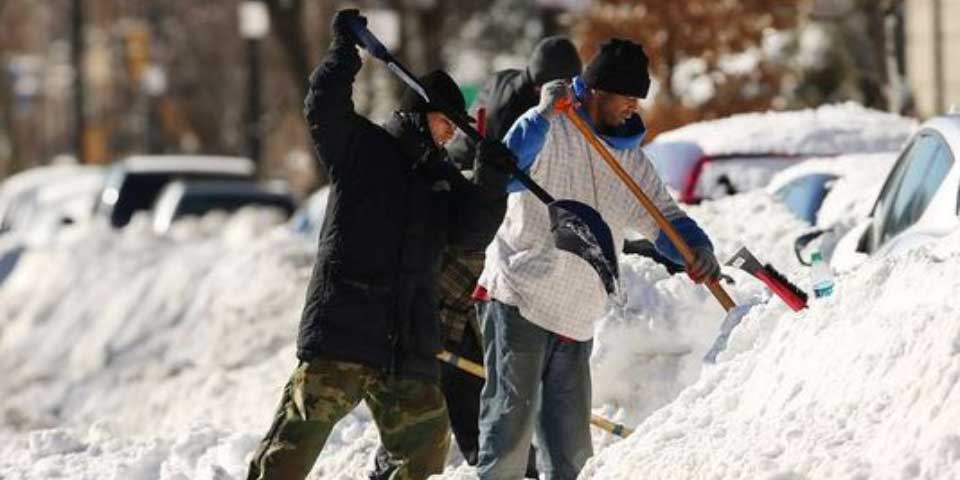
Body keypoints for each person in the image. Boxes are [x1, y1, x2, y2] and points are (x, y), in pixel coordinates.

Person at [246, 9, 514, 480]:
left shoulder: (442, 181)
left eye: (456, 126)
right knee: (294, 444)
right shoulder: (362, 150)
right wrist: (342, 53)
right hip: (347, 326)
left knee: (425, 451)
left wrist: (492, 180)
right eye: (444, 122)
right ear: (418, 112)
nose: (451, 132)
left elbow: (471, 231)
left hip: (408, 341)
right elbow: (323, 108)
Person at [475, 38, 722, 479]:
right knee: (507, 441)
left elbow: (663, 219)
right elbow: (503, 173)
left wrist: (696, 251)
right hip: (520, 300)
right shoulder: (550, 130)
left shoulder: (629, 158)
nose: (633, 106)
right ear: (595, 91)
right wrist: (542, 114)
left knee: (571, 457)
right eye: (626, 95)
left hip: (576, 317)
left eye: (637, 98)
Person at [384, 36, 580, 480]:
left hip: (468, 291)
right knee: (440, 406)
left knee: (472, 396)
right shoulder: (511, 118)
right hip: (439, 301)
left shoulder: (481, 196)